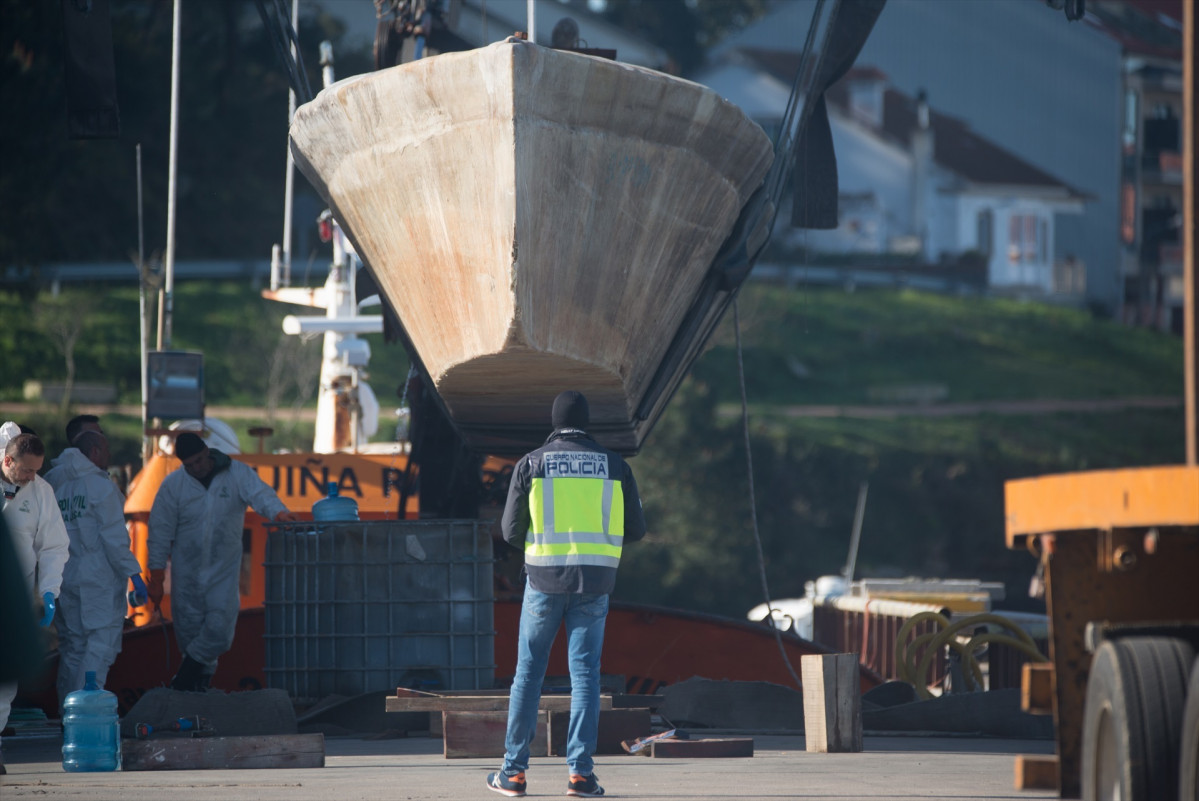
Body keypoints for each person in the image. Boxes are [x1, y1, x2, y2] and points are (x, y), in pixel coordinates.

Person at [487, 391, 646, 798]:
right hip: (595, 585)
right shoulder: (615, 465)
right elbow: (637, 530)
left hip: (542, 582)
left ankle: (514, 774)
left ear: (554, 422)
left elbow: (508, 531)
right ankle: (580, 775)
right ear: (586, 423)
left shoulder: (531, 464)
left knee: (528, 675)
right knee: (585, 678)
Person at [146, 432, 301, 691]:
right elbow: (159, 532)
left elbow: (260, 494)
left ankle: (181, 685)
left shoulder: (237, 474)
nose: (195, 468)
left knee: (219, 632)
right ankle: (199, 692)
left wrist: (279, 512)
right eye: (189, 465)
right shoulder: (174, 486)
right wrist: (157, 577)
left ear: (207, 452)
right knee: (189, 636)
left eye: (198, 461)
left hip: (223, 573)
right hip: (187, 576)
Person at [45, 430, 146, 711]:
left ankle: (68, 713)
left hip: (66, 579)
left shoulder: (53, 484)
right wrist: (135, 575)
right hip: (97, 582)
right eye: (106, 450)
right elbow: (115, 539)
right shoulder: (100, 487)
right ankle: (86, 714)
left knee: (73, 649)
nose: (109, 456)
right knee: (100, 647)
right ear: (95, 453)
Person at [0, 425, 69, 770]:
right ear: (7, 460)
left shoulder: (41, 493)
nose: (30, 477)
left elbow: (54, 547)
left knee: (5, 680)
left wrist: (48, 591)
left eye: (36, 471)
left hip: (13, 602)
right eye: (26, 470)